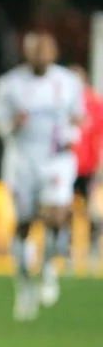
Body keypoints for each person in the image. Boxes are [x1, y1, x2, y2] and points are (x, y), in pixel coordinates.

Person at [0, 31, 85, 321]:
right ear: (27, 52)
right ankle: (25, 284)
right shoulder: (10, 84)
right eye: (35, 50)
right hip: (21, 162)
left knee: (56, 216)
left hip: (56, 160)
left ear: (53, 52)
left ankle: (50, 266)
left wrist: (72, 132)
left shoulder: (68, 82)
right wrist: (11, 123)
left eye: (46, 49)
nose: (41, 54)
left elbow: (79, 116)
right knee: (25, 225)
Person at [69, 64, 103, 268]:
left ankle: (92, 248)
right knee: (64, 209)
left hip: (88, 166)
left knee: (90, 209)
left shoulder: (95, 104)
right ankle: (66, 249)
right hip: (65, 167)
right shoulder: (63, 103)